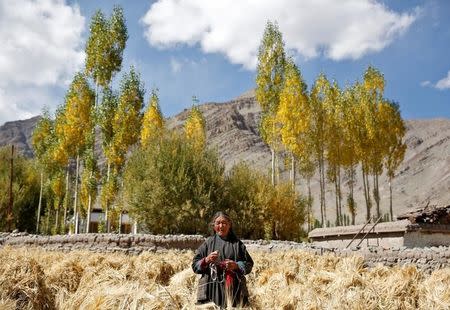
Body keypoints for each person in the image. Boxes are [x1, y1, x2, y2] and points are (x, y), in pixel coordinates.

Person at [192, 211, 254, 308]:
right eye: (218, 223)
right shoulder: (208, 243)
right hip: (211, 289)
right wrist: (207, 260)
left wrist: (236, 265)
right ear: (213, 226)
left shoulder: (237, 244)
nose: (221, 226)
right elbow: (195, 265)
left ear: (230, 225)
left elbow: (249, 264)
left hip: (234, 290)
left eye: (224, 223)